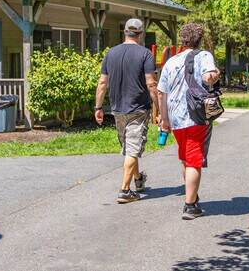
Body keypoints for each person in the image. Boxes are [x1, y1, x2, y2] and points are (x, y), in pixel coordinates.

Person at [157, 23, 220, 220]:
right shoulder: (204, 56)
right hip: (195, 114)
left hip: (175, 117)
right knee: (194, 159)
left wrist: (164, 118)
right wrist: (215, 73)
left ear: (182, 41)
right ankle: (190, 205)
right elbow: (208, 78)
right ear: (200, 39)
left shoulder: (171, 61)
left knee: (186, 157)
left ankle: (192, 195)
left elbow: (161, 93)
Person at [94, 18, 159, 203]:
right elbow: (151, 84)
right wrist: (160, 109)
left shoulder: (110, 53)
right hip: (138, 109)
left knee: (130, 145)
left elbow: (102, 83)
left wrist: (98, 107)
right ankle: (125, 191)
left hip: (117, 109)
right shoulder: (145, 54)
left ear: (124, 32)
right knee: (132, 148)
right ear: (140, 34)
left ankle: (138, 179)